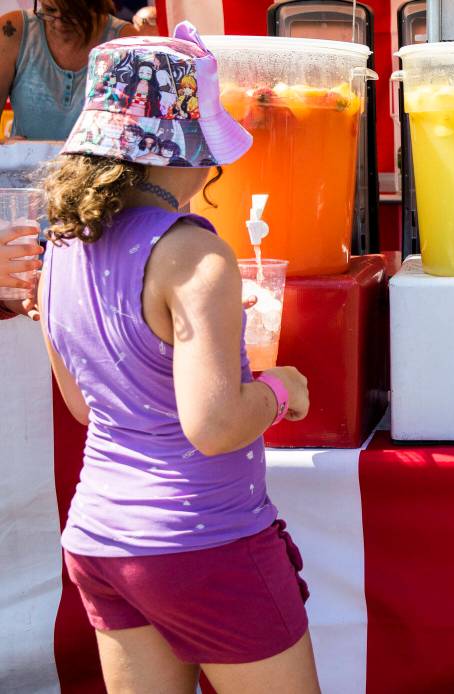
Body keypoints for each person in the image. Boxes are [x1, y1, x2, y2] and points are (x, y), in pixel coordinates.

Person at [39, 24, 319, 693]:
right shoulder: (196, 253)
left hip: (100, 540)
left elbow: (84, 405)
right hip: (202, 543)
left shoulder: (60, 251)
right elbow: (214, 424)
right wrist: (279, 389)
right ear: (182, 148)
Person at [0, 0, 136, 141]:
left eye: (72, 15)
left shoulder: (125, 42)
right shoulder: (14, 30)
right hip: (25, 162)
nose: (59, 24)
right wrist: (5, 148)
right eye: (50, 10)